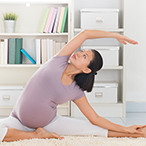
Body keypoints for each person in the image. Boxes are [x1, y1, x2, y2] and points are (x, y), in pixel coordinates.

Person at [0, 29, 146, 142]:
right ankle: (36, 135)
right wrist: (115, 35)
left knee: (92, 129)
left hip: (50, 122)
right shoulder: (58, 60)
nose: (79, 53)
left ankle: (136, 134)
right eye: (82, 51)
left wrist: (126, 129)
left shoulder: (75, 91)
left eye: (84, 56)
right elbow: (86, 33)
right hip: (17, 120)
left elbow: (95, 119)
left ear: (87, 69)